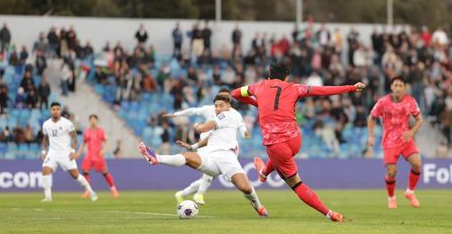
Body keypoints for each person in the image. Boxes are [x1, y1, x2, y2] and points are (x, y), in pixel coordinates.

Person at [232, 62, 366, 222]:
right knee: (281, 158)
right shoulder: (295, 87)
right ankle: (264, 173)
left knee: (296, 184)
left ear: (269, 75)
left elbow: (235, 94)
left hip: (276, 145)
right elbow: (323, 91)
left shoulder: (257, 86)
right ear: (287, 77)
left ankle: (329, 213)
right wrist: (351, 87)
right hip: (295, 140)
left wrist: (257, 103)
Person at [139, 94, 267, 218]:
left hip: (227, 158)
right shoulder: (219, 118)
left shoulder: (228, 115)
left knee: (246, 188)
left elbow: (202, 129)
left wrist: (196, 125)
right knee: (187, 156)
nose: (217, 109)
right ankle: (156, 158)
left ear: (228, 106)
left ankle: (258, 206)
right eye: (216, 106)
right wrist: (193, 147)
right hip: (211, 157)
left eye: (221, 105)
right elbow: (210, 137)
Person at [163, 88, 235, 205]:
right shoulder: (209, 109)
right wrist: (176, 114)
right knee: (210, 174)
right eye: (222, 96)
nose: (224, 99)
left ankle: (182, 194)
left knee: (208, 178)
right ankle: (199, 194)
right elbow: (193, 111)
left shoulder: (232, 114)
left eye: (227, 98)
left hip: (220, 145)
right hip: (206, 143)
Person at [366, 76, 424, 209]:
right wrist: (370, 136)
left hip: (406, 139)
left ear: (405, 88)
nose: (397, 88)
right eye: (395, 85)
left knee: (417, 164)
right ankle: (391, 198)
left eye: (400, 86)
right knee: (392, 172)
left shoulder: (410, 101)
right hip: (390, 141)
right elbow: (372, 118)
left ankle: (410, 192)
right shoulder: (382, 102)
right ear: (391, 87)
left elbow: (420, 119)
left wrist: (411, 132)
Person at [41, 102, 97, 202]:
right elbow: (45, 138)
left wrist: (72, 151)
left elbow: (75, 139)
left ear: (60, 110)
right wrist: (44, 151)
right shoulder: (46, 124)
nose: (56, 111)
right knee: (45, 170)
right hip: (52, 152)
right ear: (50, 111)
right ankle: (48, 197)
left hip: (65, 152)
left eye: (58, 109)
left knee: (75, 175)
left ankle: (91, 191)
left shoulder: (67, 123)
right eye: (53, 109)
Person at [77, 115, 119, 198]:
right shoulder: (86, 131)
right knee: (85, 171)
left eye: (94, 119)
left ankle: (114, 190)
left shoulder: (101, 131)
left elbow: (106, 143)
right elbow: (83, 143)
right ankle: (87, 191)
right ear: (89, 121)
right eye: (91, 119)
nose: (93, 121)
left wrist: (104, 150)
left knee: (105, 172)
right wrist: (78, 153)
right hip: (89, 155)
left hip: (98, 155)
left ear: (97, 121)